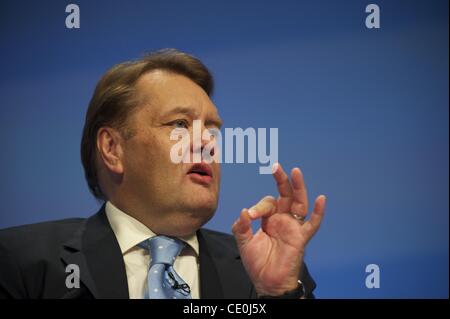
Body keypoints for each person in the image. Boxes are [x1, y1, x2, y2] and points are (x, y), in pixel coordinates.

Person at [0, 49, 326, 299]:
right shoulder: (21, 264)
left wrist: (279, 293)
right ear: (113, 149)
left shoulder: (263, 276)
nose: (206, 143)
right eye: (180, 124)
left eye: (212, 129)